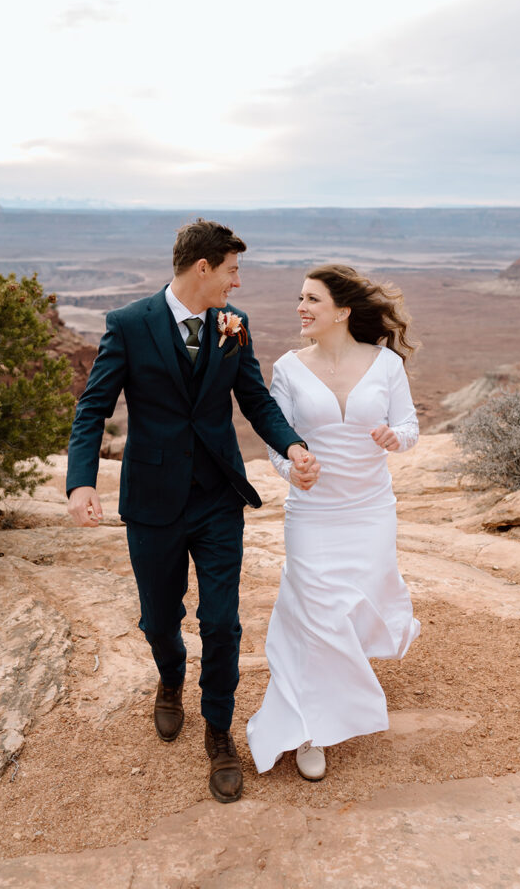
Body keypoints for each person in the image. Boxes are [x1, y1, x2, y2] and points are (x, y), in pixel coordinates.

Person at [66, 219, 319, 804]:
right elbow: (92, 410)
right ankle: (170, 676)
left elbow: (254, 399)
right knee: (159, 619)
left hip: (217, 498)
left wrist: (292, 444)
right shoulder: (129, 325)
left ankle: (219, 733)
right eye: (232, 269)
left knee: (223, 622)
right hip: (153, 500)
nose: (239, 280)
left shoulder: (236, 325)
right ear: (202, 268)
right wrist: (81, 483)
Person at [246, 263, 420, 781]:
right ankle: (305, 732)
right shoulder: (289, 368)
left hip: (369, 510)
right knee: (313, 615)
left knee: (353, 607)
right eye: (300, 298)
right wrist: (292, 469)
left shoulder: (386, 364)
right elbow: (278, 439)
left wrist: (395, 438)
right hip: (314, 513)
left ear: (342, 311)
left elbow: (410, 425)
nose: (301, 307)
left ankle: (336, 688)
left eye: (312, 300)